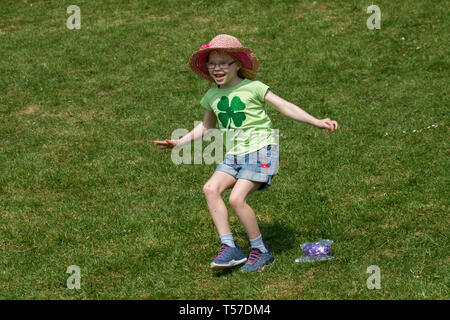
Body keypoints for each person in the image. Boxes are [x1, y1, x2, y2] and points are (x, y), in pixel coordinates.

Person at [153, 34, 338, 272]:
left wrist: (317, 121)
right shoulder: (211, 96)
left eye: (223, 63)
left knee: (236, 199)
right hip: (235, 155)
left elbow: (284, 106)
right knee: (210, 189)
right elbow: (207, 125)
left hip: (261, 150)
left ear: (238, 64)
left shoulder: (254, 88)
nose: (216, 68)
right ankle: (229, 247)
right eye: (211, 63)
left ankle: (261, 251)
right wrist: (180, 142)